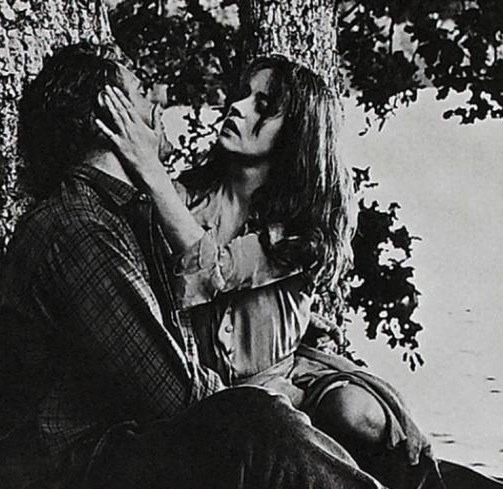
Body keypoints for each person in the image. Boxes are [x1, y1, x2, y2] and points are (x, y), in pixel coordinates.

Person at [0, 42, 390, 489]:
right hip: (73, 466)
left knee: (336, 418)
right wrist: (256, 404)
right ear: (113, 119)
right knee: (257, 421)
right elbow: (173, 393)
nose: (158, 103)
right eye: (142, 93)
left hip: (110, 445)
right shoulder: (83, 228)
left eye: (262, 105)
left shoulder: (118, 215)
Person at [96, 55, 443, 489]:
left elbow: (218, 271)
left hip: (288, 380)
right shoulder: (183, 199)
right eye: (242, 95)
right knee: (271, 431)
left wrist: (150, 170)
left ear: (296, 134)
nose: (237, 107)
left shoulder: (301, 226)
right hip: (220, 402)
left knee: (360, 415)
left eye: (263, 106)